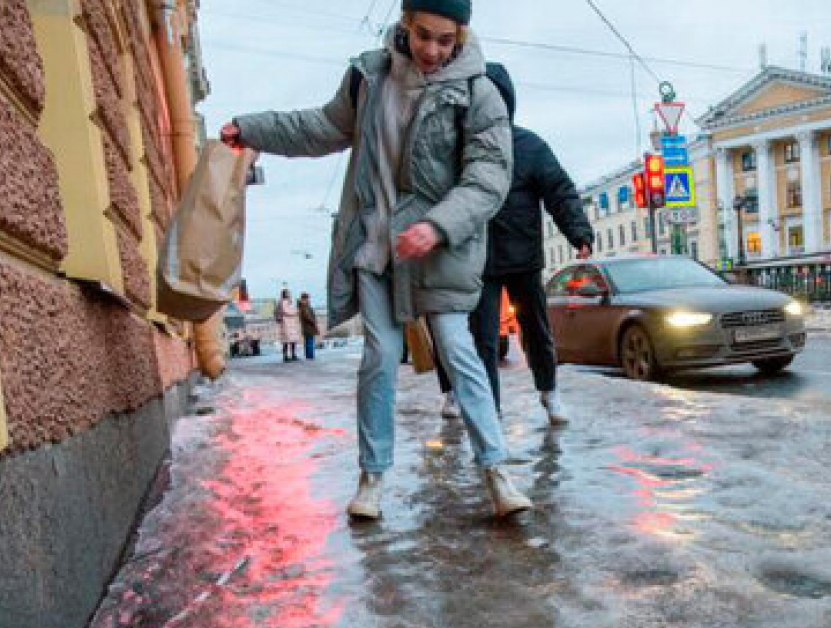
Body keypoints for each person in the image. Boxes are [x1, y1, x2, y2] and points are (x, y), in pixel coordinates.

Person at [221, 0, 531, 520]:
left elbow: (489, 176)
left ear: (461, 37)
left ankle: (496, 473)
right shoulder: (369, 78)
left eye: (446, 40)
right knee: (379, 357)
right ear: (405, 25)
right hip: (376, 244)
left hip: (441, 248)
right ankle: (372, 478)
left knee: (458, 349)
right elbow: (319, 127)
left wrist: (436, 226)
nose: (433, 50)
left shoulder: (480, 91)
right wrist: (251, 128)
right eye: (423, 35)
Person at [435, 62, 594, 424]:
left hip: (523, 257)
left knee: (537, 331)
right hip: (478, 261)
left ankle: (550, 393)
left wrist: (578, 232)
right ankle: (489, 411)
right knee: (483, 340)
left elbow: (560, 191)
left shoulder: (529, 146)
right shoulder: (458, 149)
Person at [278, 289, 301, 362]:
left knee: (293, 340)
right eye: (288, 293)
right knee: (286, 340)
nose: (290, 294)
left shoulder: (290, 302)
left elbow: (294, 310)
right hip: (286, 323)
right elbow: (287, 311)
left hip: (292, 323)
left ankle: (293, 354)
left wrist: (295, 311)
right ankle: (285, 356)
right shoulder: (282, 302)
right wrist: (295, 312)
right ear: (285, 294)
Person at [299, 292, 320, 360]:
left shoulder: (304, 306)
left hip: (307, 327)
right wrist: (313, 321)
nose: (308, 300)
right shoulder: (304, 307)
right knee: (310, 341)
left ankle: (308, 355)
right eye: (307, 298)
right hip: (308, 327)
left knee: (308, 341)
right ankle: (310, 355)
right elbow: (307, 316)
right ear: (304, 299)